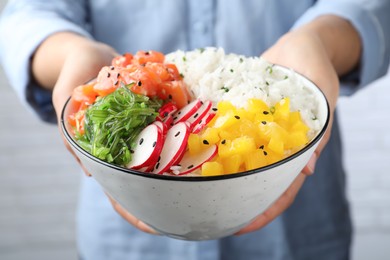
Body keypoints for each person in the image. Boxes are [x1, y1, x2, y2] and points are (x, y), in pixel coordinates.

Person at [1, 1, 389, 259]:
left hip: (297, 225)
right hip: (124, 224)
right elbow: (26, 13)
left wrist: (319, 38)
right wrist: (71, 53)